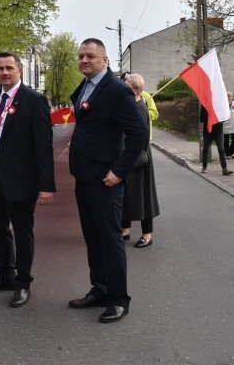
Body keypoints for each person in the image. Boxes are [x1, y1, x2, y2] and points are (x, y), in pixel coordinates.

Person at [67, 38, 147, 324]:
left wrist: (120, 171)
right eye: (81, 57)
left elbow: (139, 134)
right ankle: (99, 289)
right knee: (93, 238)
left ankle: (118, 299)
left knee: (110, 240)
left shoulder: (116, 90)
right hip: (85, 178)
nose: (84, 60)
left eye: (90, 56)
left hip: (106, 181)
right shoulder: (86, 87)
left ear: (105, 60)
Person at [0, 52, 55, 308]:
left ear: (20, 70)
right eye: (0, 68)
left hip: (22, 179)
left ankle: (23, 283)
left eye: (9, 68)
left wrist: (46, 185)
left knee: (22, 232)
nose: (5, 73)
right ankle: (5, 275)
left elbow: (43, 145)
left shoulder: (34, 100)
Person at [120, 73, 160, 249]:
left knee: (143, 197)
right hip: (128, 156)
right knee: (127, 195)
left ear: (133, 88)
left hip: (138, 158)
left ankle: (147, 234)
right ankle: (125, 229)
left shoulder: (139, 108)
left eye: (125, 82)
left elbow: (139, 136)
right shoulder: (130, 106)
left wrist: (129, 157)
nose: (122, 84)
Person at [200, 105, 234, 176]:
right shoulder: (205, 104)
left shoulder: (219, 103)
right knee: (206, 148)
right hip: (208, 131)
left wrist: (219, 115)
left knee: (221, 148)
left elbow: (224, 118)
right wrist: (211, 115)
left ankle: (224, 168)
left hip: (218, 130)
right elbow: (201, 118)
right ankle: (204, 166)